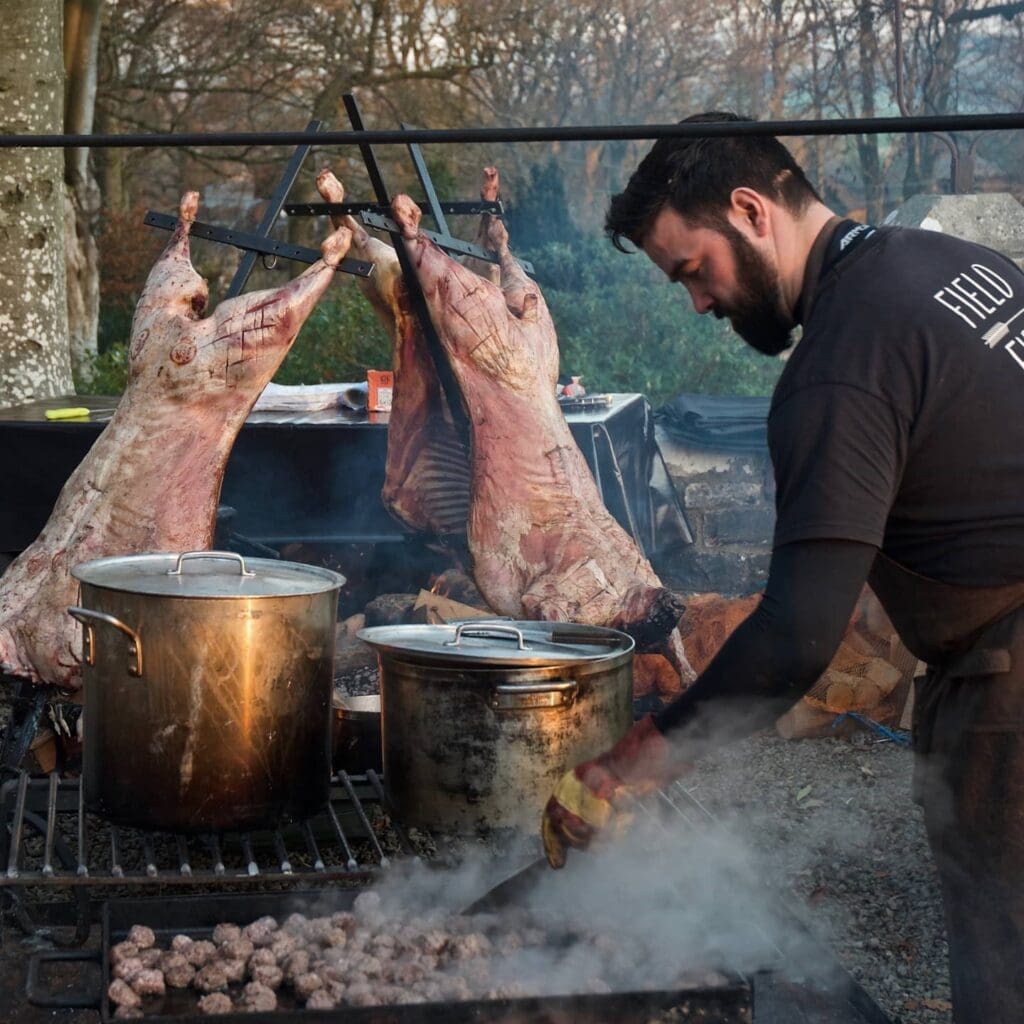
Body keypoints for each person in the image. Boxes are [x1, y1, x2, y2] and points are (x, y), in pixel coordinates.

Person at [541, 111, 1024, 1024]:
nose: (697, 302)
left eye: (693, 269)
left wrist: (637, 758)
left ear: (752, 210)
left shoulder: (841, 364)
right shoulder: (958, 268)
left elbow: (798, 633)